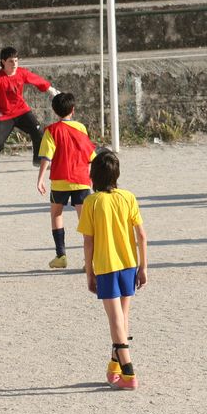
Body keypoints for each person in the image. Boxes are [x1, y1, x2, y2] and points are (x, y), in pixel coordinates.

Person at [78, 151, 148, 391]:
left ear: (93, 175)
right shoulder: (128, 197)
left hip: (106, 266)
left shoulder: (92, 202)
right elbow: (141, 236)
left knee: (115, 318)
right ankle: (114, 367)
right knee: (123, 317)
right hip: (129, 263)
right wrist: (143, 267)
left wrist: (89, 272)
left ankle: (129, 371)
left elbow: (88, 241)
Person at [36, 92, 97, 269]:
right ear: (73, 110)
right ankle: (90, 261)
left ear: (55, 111)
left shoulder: (51, 130)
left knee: (56, 214)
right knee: (85, 221)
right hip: (81, 179)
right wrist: (92, 177)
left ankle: (61, 255)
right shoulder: (81, 128)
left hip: (60, 180)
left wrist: (40, 179)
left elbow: (46, 157)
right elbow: (89, 154)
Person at [0, 47, 58, 174]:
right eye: (11, 61)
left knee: (39, 132)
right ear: (3, 62)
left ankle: (38, 160)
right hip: (3, 115)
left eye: (16, 61)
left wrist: (50, 89)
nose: (14, 64)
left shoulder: (21, 72)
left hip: (21, 110)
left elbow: (36, 80)